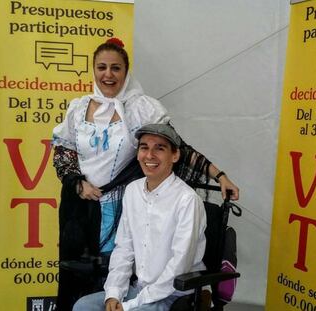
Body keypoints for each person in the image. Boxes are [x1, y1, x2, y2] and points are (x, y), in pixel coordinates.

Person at [52, 37, 239, 310]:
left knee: (117, 264)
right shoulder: (79, 108)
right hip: (81, 207)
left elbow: (176, 147)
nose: (108, 74)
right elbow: (63, 149)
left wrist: (219, 175)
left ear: (126, 73)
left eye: (116, 68)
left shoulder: (140, 108)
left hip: (116, 203)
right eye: (101, 67)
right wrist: (77, 182)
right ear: (93, 70)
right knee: (79, 281)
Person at [73, 123, 207, 311]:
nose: (150, 155)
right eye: (144, 148)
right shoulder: (133, 190)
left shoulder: (187, 200)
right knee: (83, 306)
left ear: (175, 155)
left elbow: (180, 265)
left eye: (159, 148)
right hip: (139, 288)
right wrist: (114, 294)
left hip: (173, 293)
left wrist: (131, 305)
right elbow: (124, 247)